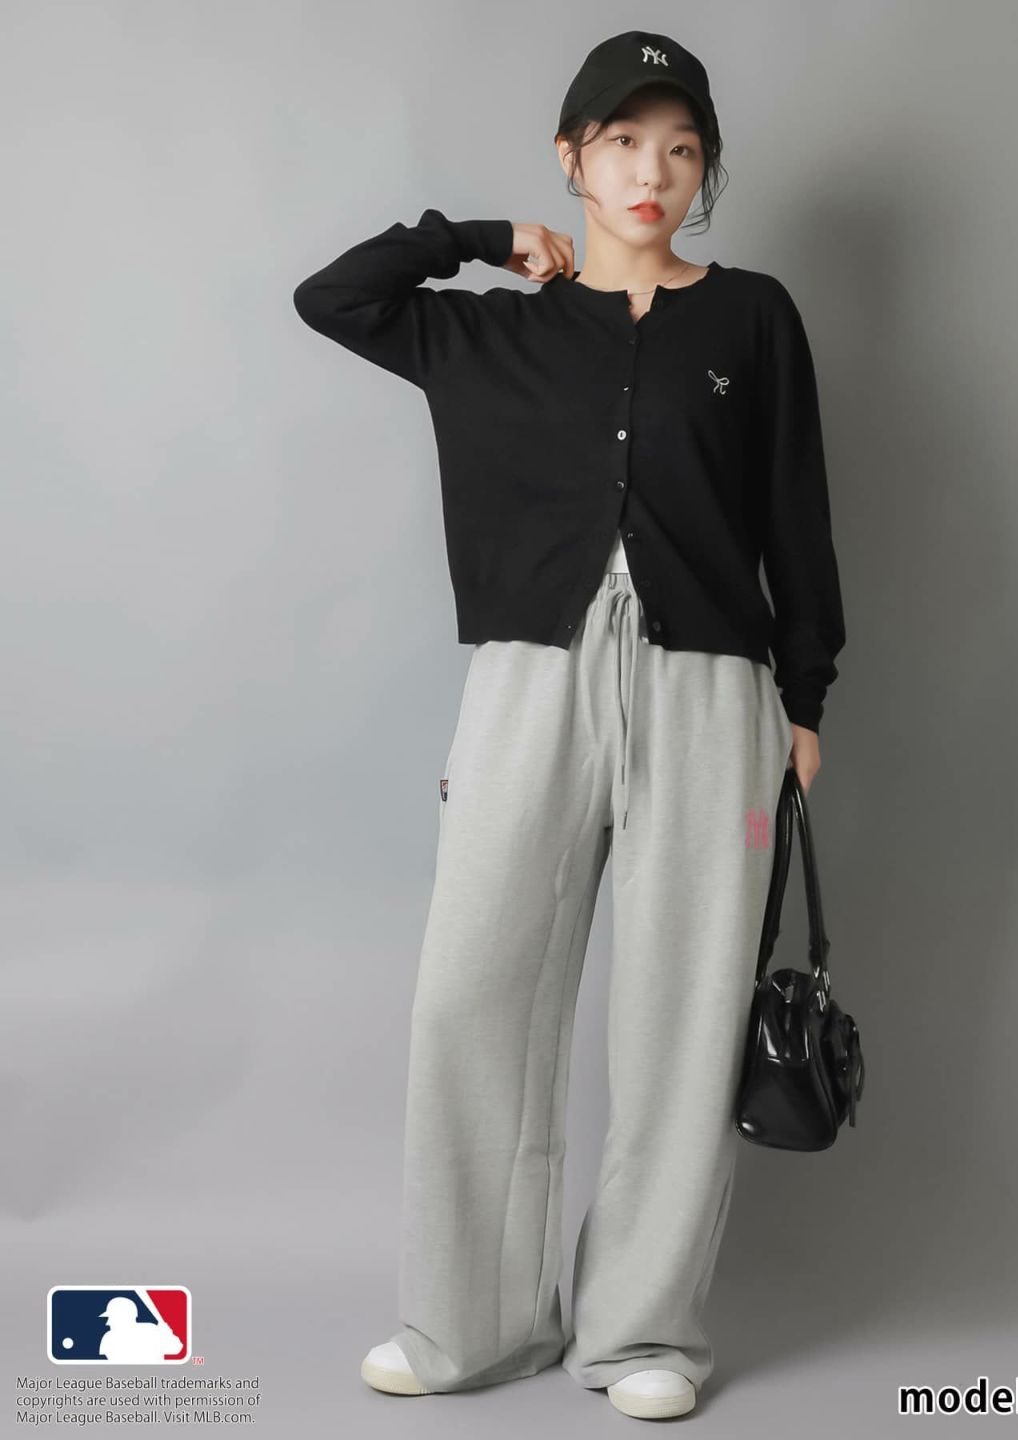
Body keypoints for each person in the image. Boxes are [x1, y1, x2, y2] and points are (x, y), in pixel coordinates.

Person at [292, 27, 846, 1422]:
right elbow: (332, 295)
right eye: (622, 143)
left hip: (713, 692)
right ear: (572, 158)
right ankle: (469, 1325)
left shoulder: (753, 319)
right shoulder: (492, 331)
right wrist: (483, 240)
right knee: (471, 994)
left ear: (705, 170)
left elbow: (797, 515)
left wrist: (806, 698)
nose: (653, 172)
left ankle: (644, 1331)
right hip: (527, 683)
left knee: (682, 1014)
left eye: (681, 148)